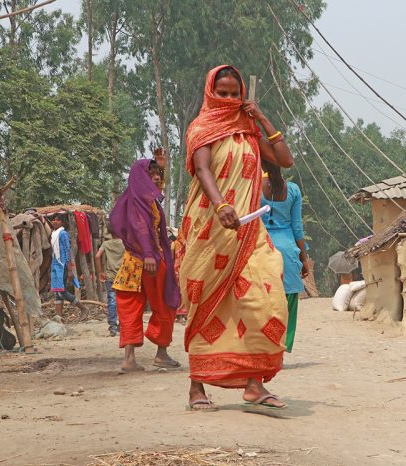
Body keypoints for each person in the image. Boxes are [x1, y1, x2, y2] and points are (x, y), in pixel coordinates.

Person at [173, 65, 294, 411]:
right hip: (209, 229)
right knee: (205, 305)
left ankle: (254, 384)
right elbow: (203, 168)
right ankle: (197, 387)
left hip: (250, 232)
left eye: (234, 94)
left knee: (264, 301)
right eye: (222, 93)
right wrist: (220, 203)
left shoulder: (250, 133)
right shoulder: (202, 128)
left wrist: (262, 119)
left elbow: (285, 159)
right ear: (211, 92)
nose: (228, 99)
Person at [109, 159, 181, 374]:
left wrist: (162, 166)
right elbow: (139, 226)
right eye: (151, 174)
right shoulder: (140, 201)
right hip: (150, 260)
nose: (157, 177)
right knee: (165, 303)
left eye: (158, 173)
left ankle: (130, 359)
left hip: (132, 261)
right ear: (141, 176)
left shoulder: (139, 199)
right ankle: (160, 353)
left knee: (130, 305)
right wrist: (149, 254)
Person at [261, 160, 309, 353]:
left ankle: (264, 345)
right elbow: (297, 228)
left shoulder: (253, 188)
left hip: (262, 249)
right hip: (288, 253)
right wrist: (304, 259)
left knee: (263, 300)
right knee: (288, 301)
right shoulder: (293, 190)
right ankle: (281, 347)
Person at [49, 215, 87, 321]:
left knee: (61, 292)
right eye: (53, 220)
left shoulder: (63, 233)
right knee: (57, 293)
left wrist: (70, 269)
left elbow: (67, 251)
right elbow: (53, 253)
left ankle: (83, 308)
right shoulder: (53, 234)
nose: (55, 222)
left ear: (62, 223)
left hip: (63, 265)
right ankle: (59, 318)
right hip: (55, 265)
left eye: (58, 220)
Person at [95, 232, 125, 336]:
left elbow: (97, 256)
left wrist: (100, 272)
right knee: (123, 301)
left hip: (110, 276)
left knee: (112, 300)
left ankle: (112, 327)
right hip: (122, 276)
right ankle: (122, 325)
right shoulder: (124, 243)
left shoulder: (106, 243)